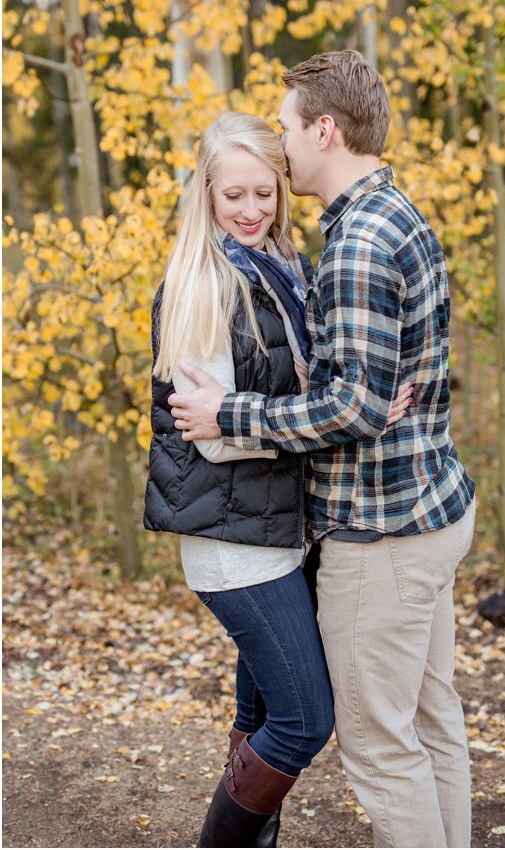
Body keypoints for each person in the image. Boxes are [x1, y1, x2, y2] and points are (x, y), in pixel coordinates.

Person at [170, 51, 475, 850]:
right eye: (234, 189)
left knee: (379, 746)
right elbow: (361, 393)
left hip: (384, 532)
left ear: (325, 128)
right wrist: (363, 399)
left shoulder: (352, 243)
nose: (283, 143)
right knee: (427, 720)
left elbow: (353, 400)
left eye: (288, 128)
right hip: (419, 510)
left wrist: (348, 402)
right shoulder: (389, 216)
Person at [145, 112, 356, 847]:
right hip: (234, 542)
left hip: (274, 527)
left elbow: (257, 404)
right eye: (234, 194)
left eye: (264, 194)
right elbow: (215, 439)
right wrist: (323, 414)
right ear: (204, 192)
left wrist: (356, 394)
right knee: (305, 719)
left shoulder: (280, 266)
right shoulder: (205, 284)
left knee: (268, 716)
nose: (251, 211)